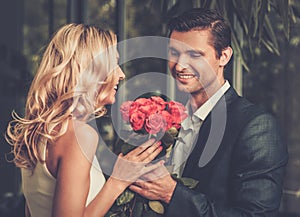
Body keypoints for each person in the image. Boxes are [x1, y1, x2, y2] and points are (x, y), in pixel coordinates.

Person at [129, 8, 288, 216]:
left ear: (223, 56)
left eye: (194, 54)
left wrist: (172, 194)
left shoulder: (257, 128)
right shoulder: (163, 117)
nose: (180, 66)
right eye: (174, 53)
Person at [5, 23, 164, 217]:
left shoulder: (38, 132)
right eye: (114, 64)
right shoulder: (79, 134)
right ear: (93, 70)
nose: (121, 75)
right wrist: (118, 181)